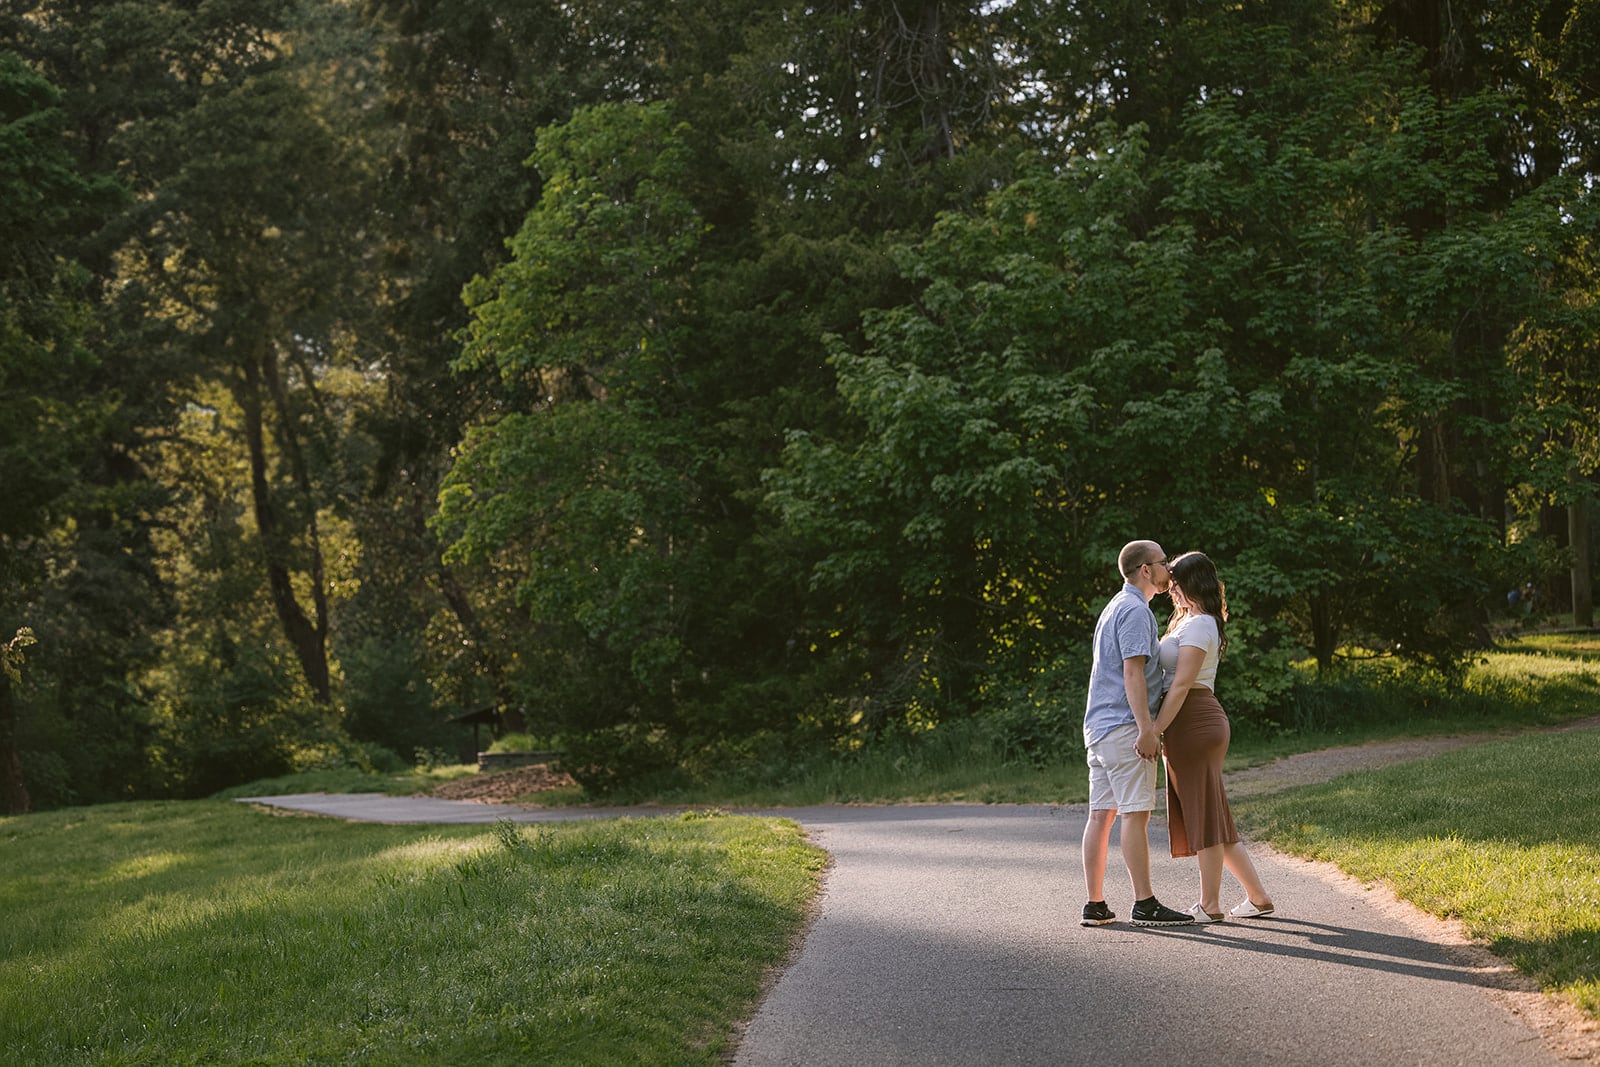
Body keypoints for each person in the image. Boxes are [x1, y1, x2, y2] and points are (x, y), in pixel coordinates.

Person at [1149, 551, 1275, 923]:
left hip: (1195, 719)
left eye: (1175, 584)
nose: (1170, 591)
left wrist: (1155, 730)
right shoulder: (1185, 621)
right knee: (1214, 814)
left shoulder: (1202, 623)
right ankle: (1258, 897)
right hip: (1186, 721)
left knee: (1204, 815)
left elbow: (1184, 682)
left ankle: (1210, 904)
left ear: (1192, 583)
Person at [1080, 540, 1195, 927]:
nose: (1169, 569)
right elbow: (1133, 672)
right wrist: (1147, 728)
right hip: (1124, 727)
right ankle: (1144, 903)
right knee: (1135, 814)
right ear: (1145, 570)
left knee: (1101, 815)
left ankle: (1095, 904)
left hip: (1099, 728)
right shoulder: (1134, 610)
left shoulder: (1115, 605)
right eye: (1163, 563)